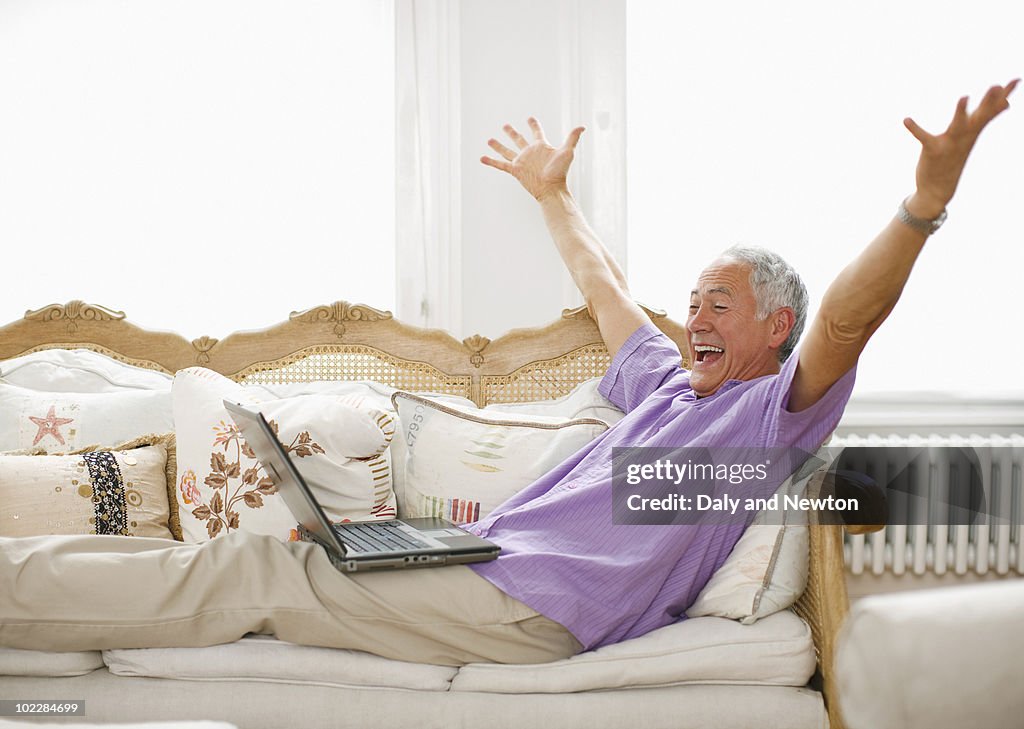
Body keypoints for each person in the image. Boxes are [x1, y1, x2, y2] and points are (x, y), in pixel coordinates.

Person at [0, 80, 1017, 666]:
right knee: (286, 548)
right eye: (694, 297)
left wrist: (920, 208)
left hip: (534, 609)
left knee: (258, 566)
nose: (695, 315)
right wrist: (551, 194)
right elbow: (602, 280)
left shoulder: (767, 415)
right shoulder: (665, 383)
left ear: (774, 328)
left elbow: (850, 317)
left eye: (721, 303)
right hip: (468, 560)